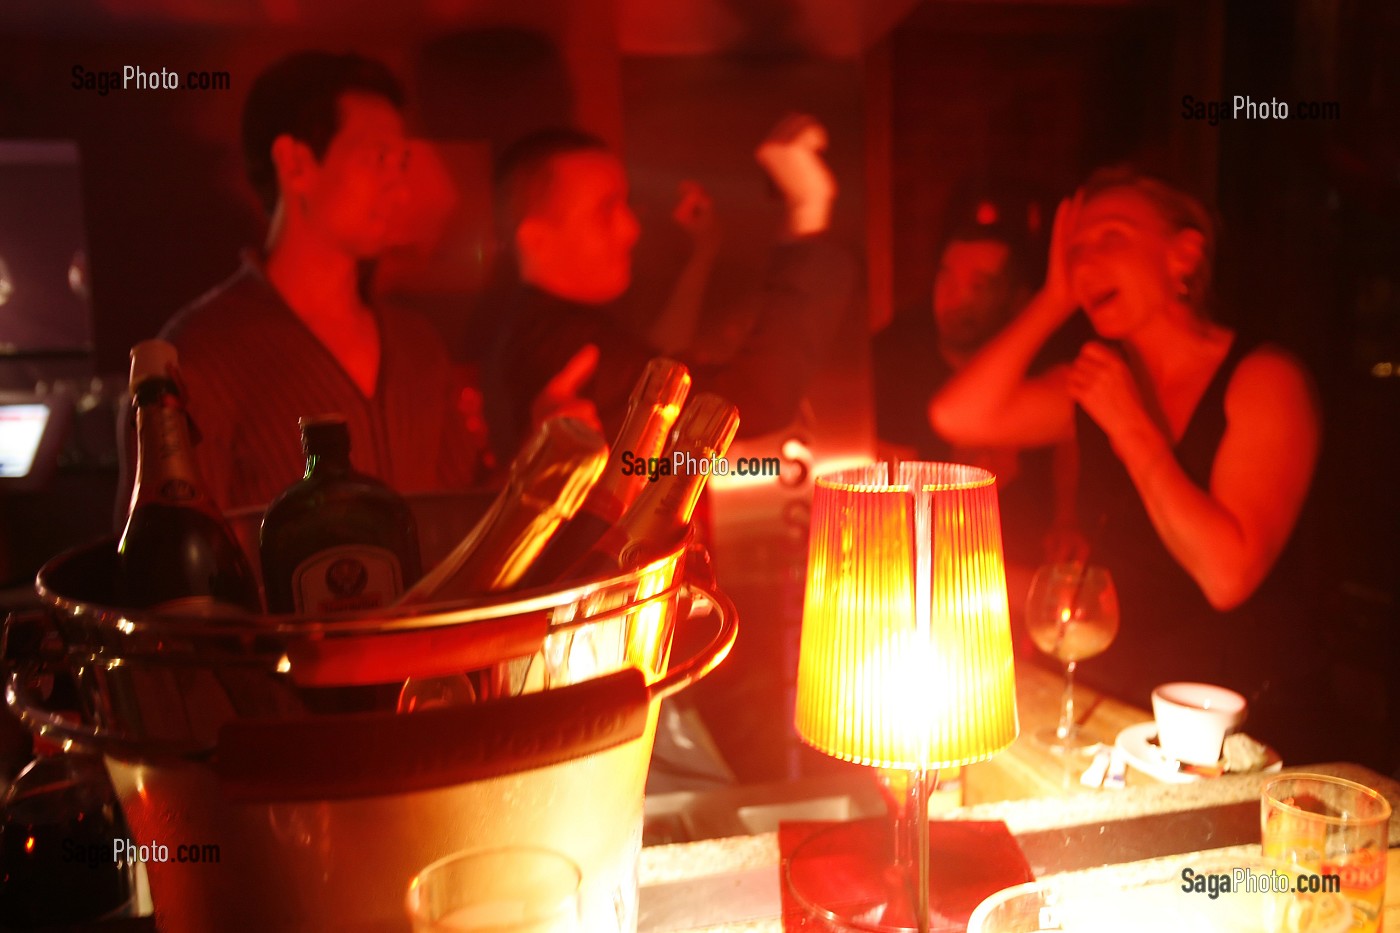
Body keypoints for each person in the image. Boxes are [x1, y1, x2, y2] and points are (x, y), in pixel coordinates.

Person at [929, 166, 1327, 759]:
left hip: (1236, 725)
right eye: (1075, 250)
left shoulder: (1266, 379)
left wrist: (1131, 426)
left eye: (1109, 238)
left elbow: (1227, 574)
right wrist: (1052, 299)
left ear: (1183, 256)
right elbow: (957, 416)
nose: (1085, 264)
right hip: (1112, 702)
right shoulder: (1097, 379)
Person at [118, 52, 590, 518]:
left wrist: (538, 451)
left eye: (401, 163)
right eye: (379, 158)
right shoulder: (200, 355)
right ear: (296, 163)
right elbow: (164, 554)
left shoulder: (415, 344)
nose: (400, 190)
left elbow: (458, 524)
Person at [480, 116, 856, 462]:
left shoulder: (537, 331)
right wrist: (808, 211)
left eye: (625, 205)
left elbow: (661, 364)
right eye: (605, 211)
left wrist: (702, 254)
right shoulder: (570, 351)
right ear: (537, 240)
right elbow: (754, 401)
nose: (631, 229)